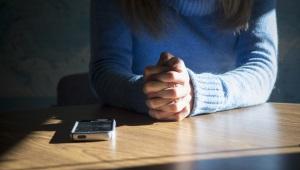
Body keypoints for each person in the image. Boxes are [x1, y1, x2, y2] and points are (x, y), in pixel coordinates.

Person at [89, 0, 278, 121]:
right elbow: (105, 69)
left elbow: (262, 68)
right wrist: (153, 94)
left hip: (224, 130)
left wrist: (195, 92)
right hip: (141, 129)